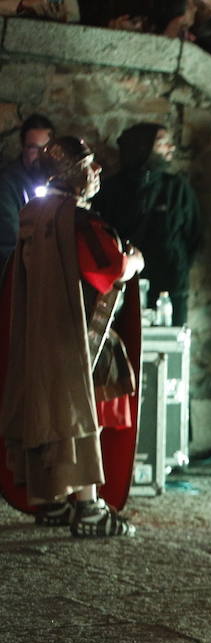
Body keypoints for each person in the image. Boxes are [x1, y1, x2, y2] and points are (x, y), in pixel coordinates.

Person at [0, 136, 143, 535]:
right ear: (67, 173)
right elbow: (108, 269)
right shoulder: (77, 221)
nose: (97, 171)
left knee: (45, 412)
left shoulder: (35, 213)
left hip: (38, 338)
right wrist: (134, 260)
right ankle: (88, 508)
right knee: (80, 415)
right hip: (73, 338)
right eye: (89, 164)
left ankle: (51, 501)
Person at [93, 122, 202, 326]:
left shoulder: (176, 189)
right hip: (125, 288)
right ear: (143, 148)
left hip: (169, 290)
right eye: (162, 143)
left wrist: (176, 263)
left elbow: (193, 235)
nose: (171, 148)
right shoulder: (111, 191)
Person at [0, 113, 54, 263]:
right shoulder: (8, 185)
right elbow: (9, 242)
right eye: (33, 148)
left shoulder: (57, 178)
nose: (40, 155)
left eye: (46, 148)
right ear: (23, 148)